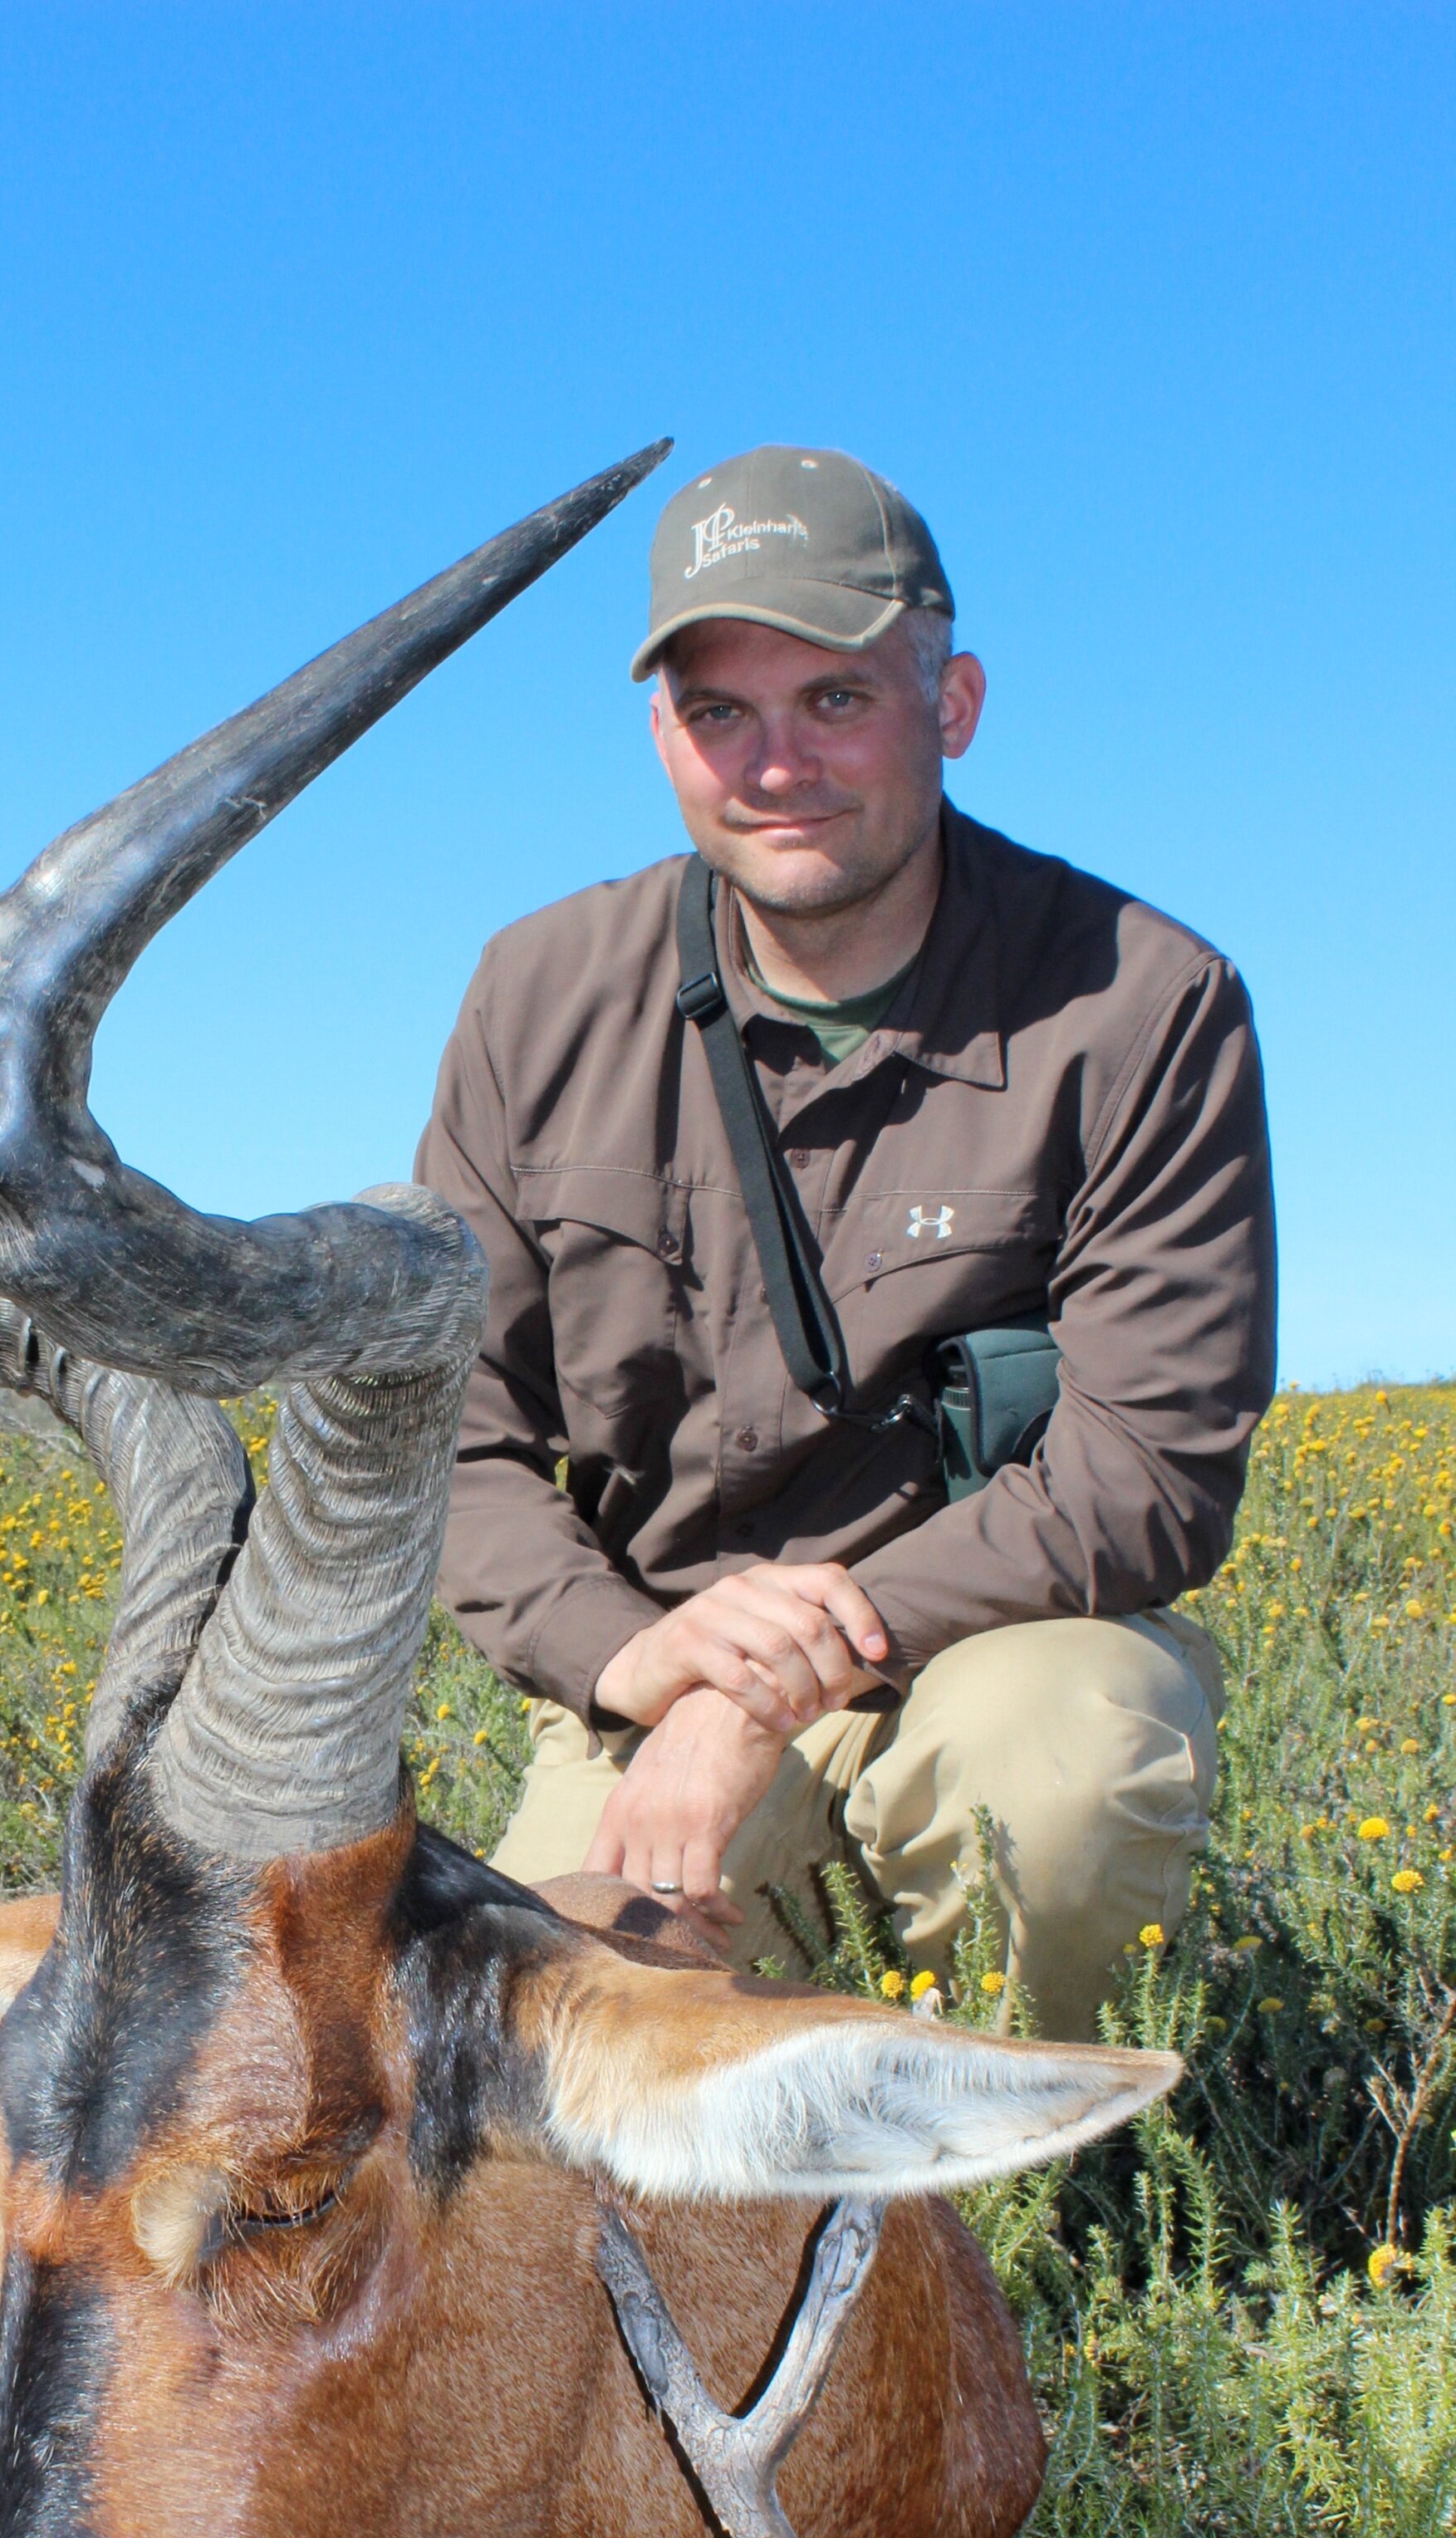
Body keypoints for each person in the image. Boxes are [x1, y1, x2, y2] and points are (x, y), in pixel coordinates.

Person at [415, 444, 1275, 2036]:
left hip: (994, 1641)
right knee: (541, 2044)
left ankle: (1017, 2227)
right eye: (719, 712)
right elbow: (450, 1450)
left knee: (1059, 1782)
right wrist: (636, 1663)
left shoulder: (1143, 999)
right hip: (656, 1669)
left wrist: (780, 1678)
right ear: (661, 734)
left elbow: (1147, 1472)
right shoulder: (535, 996)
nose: (775, 764)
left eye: (834, 700)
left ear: (948, 708)